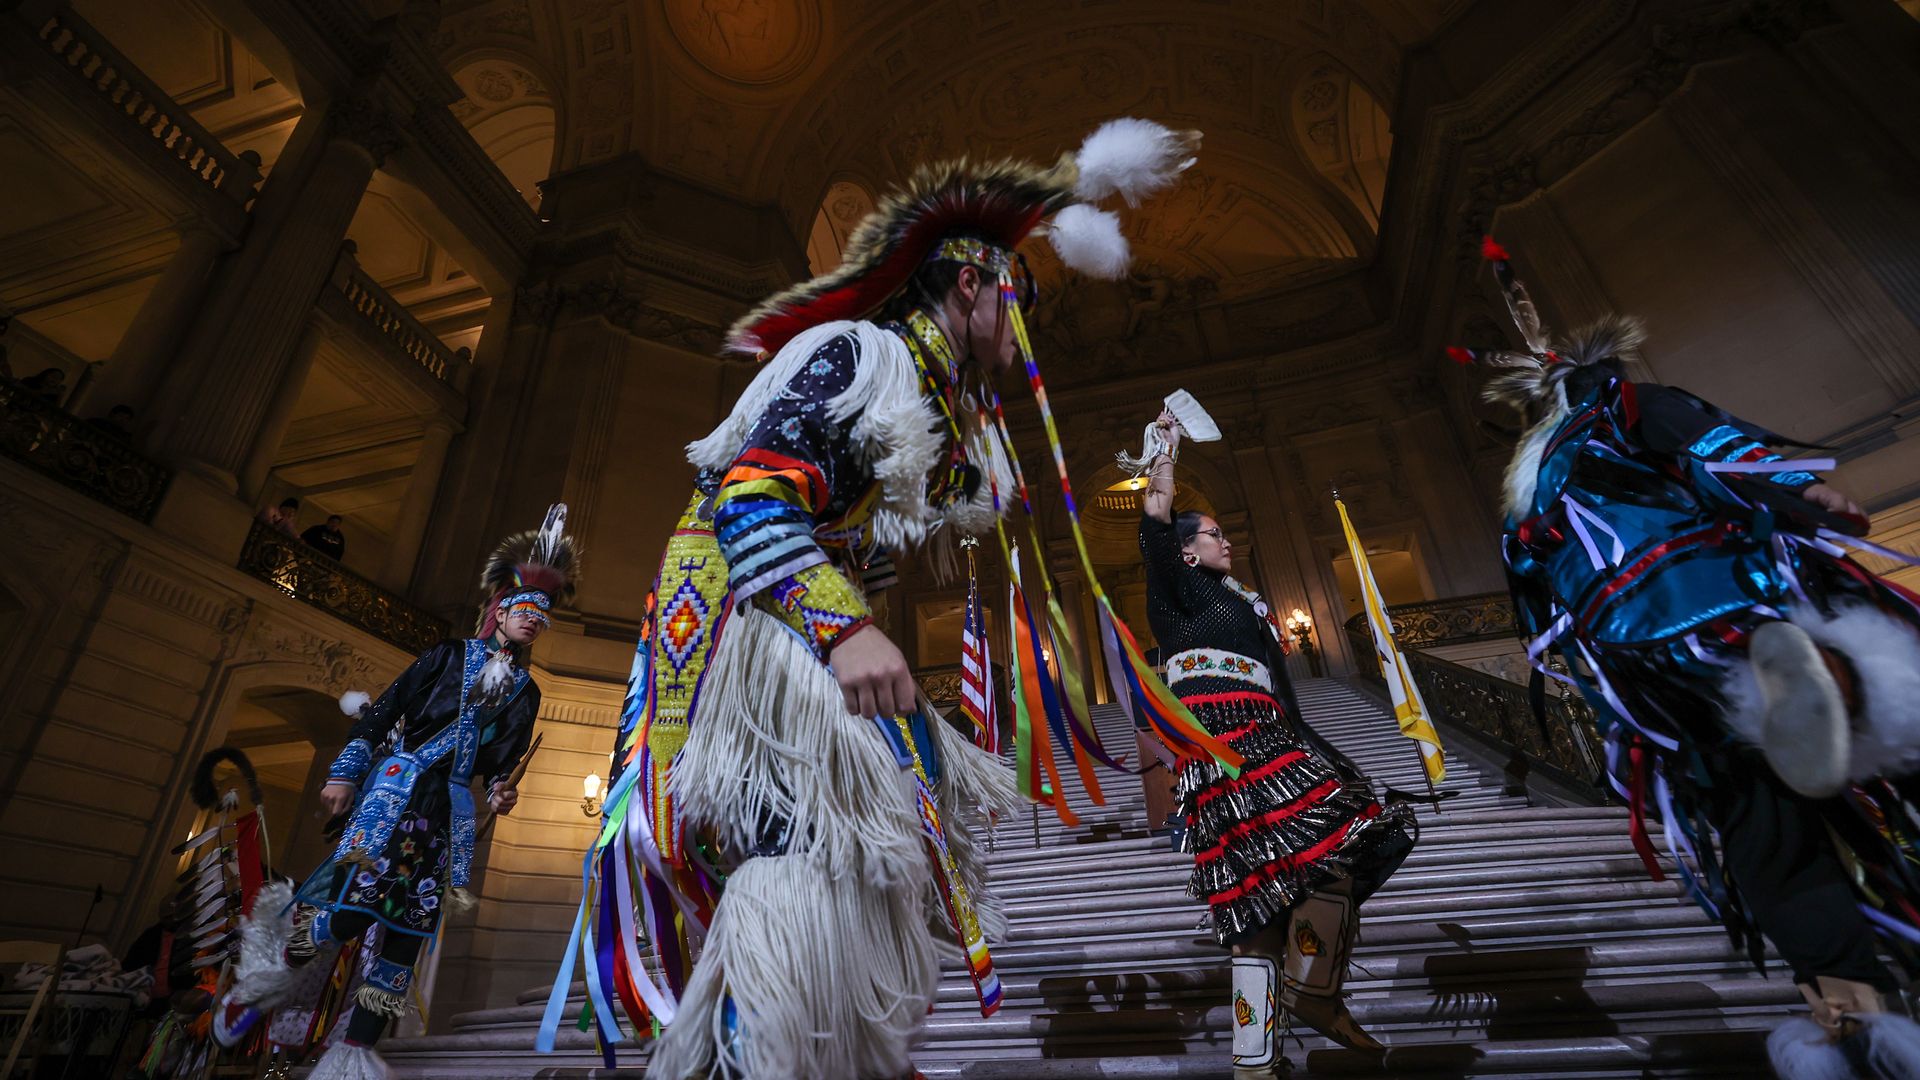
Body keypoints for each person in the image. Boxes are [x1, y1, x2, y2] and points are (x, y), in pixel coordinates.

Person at [553, 119, 1203, 1080]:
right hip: (753, 647)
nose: (1021, 325)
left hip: (791, 628)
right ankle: (766, 1052)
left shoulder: (931, 398)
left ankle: (823, 1052)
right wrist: (846, 628)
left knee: (847, 861)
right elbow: (753, 493)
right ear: (972, 283)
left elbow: (856, 528)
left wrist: (871, 588)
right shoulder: (861, 355)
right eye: (1015, 297)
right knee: (798, 853)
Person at [1457, 238, 1920, 1080]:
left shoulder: (1525, 499)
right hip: (1712, 595)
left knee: (1758, 818)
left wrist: (1600, 686)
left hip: (1642, 666)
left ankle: (1847, 1012)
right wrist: (1803, 491)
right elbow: (1711, 448)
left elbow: (1536, 617)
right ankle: (1829, 686)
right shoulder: (1623, 409)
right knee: (1884, 671)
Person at [214, 505, 577, 1078]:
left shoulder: (527, 693)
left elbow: (501, 763)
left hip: (449, 812)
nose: (534, 621)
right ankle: (268, 975)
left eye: (542, 617)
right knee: (356, 906)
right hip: (398, 793)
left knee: (409, 932)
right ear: (501, 613)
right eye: (525, 610)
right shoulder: (446, 657)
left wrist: (503, 790)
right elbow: (382, 713)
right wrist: (342, 773)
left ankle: (354, 1055)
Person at [1137, 409, 1415, 1075]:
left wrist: (1325, 751)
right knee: (1271, 897)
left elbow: (1285, 695)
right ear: (1185, 551)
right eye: (1214, 534)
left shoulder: (1245, 606)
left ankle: (1282, 1027)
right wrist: (1166, 454)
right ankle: (1275, 1039)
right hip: (1224, 746)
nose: (1226, 542)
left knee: (1326, 861)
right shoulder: (1174, 593)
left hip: (1273, 737)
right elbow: (1152, 519)